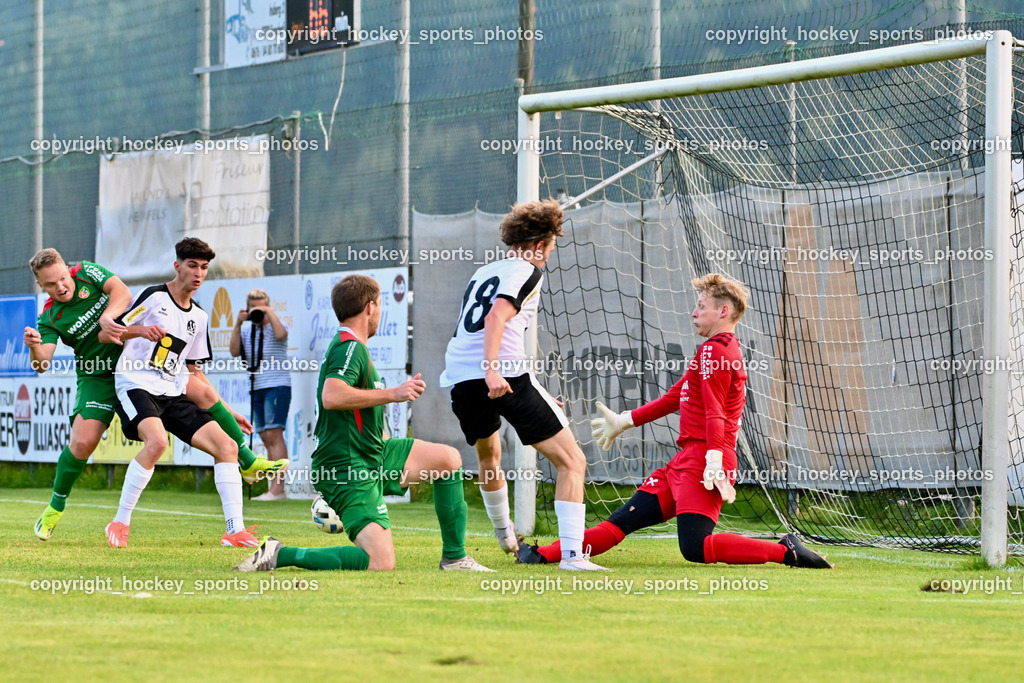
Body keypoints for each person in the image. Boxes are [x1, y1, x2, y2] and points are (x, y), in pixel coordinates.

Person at [516, 273, 833, 570]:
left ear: (723, 311)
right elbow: (673, 399)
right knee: (619, 523)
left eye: (701, 307)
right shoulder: (713, 350)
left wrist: (714, 458)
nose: (694, 313)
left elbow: (715, 412)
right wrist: (624, 420)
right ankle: (540, 554)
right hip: (686, 462)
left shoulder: (716, 351)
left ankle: (785, 552)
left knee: (695, 547)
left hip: (705, 461)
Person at [233, 274, 492, 573]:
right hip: (347, 465)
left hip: (372, 452)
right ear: (370, 307)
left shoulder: (353, 347)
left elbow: (353, 405)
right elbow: (332, 395)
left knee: (447, 460)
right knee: (380, 562)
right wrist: (394, 393)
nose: (379, 313)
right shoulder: (350, 348)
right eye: (380, 306)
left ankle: (455, 558)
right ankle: (280, 553)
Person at [24, 248, 282, 542]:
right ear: (41, 287)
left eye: (62, 279)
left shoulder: (85, 271)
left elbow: (119, 290)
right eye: (51, 285)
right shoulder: (49, 317)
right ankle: (56, 507)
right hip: (99, 376)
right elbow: (42, 363)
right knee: (83, 443)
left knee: (198, 387)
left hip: (140, 364)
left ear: (67, 269)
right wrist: (34, 346)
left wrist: (108, 317)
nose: (61, 287)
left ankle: (245, 463)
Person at [439, 199, 605, 571]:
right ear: (537, 245)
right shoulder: (527, 270)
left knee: (488, 456)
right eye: (549, 248)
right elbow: (496, 317)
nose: (548, 256)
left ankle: (505, 534)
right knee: (572, 461)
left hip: (461, 374)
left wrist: (538, 394)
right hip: (502, 374)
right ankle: (574, 557)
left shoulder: (483, 271)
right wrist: (493, 370)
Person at [104, 238, 263, 548]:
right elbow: (109, 332)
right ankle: (120, 522)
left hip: (172, 391)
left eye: (204, 267)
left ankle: (234, 531)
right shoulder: (153, 297)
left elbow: (194, 372)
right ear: (177, 266)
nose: (198, 273)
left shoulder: (200, 317)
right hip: (136, 384)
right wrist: (141, 330)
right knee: (158, 442)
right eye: (192, 266)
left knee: (227, 446)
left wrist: (227, 411)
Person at [229, 288, 292, 501]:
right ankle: (272, 486)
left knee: (275, 434)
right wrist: (238, 323)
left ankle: (278, 489)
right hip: (256, 386)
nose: (257, 311)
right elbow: (234, 351)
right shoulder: (247, 330)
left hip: (277, 385)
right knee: (265, 436)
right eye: (253, 307)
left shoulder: (275, 327)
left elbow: (283, 335)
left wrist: (268, 312)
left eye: (261, 306)